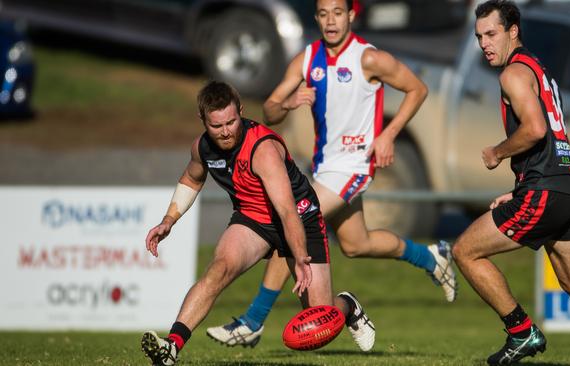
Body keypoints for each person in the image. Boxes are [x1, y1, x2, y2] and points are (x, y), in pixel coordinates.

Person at [206, 0, 457, 350]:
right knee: (357, 244)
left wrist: (388, 134)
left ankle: (252, 320)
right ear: (317, 17)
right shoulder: (308, 59)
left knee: (287, 222)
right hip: (324, 169)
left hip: (355, 166)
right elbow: (269, 110)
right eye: (323, 14)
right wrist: (289, 103)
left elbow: (418, 89)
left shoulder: (369, 58)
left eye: (338, 13)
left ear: (351, 15)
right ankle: (431, 257)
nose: (330, 21)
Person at [450, 1, 570, 365]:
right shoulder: (537, 67)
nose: (484, 44)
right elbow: (551, 136)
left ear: (513, 31)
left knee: (465, 250)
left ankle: (520, 331)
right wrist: (520, 186)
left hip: (546, 189)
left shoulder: (513, 73)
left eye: (492, 34)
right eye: (479, 37)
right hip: (566, 186)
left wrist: (498, 151)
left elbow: (536, 130)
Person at [139, 81, 375, 365]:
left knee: (319, 323)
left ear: (240, 111)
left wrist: (300, 259)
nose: (226, 131)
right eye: (217, 126)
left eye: (231, 122)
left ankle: (347, 306)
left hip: (299, 217)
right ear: (203, 120)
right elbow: (192, 178)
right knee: (218, 270)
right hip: (252, 219)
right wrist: (168, 221)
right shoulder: (202, 148)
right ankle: (171, 347)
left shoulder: (263, 149)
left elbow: (287, 212)